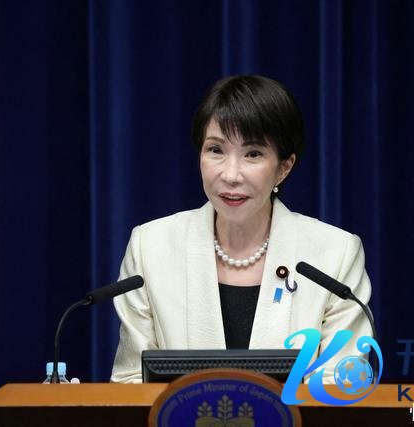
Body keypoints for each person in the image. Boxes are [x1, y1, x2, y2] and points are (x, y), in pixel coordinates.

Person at [111, 75, 372, 383]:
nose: (231, 175)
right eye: (216, 150)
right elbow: (131, 381)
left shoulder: (335, 254)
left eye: (253, 154)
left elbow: (342, 384)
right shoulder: (151, 247)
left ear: (284, 167)